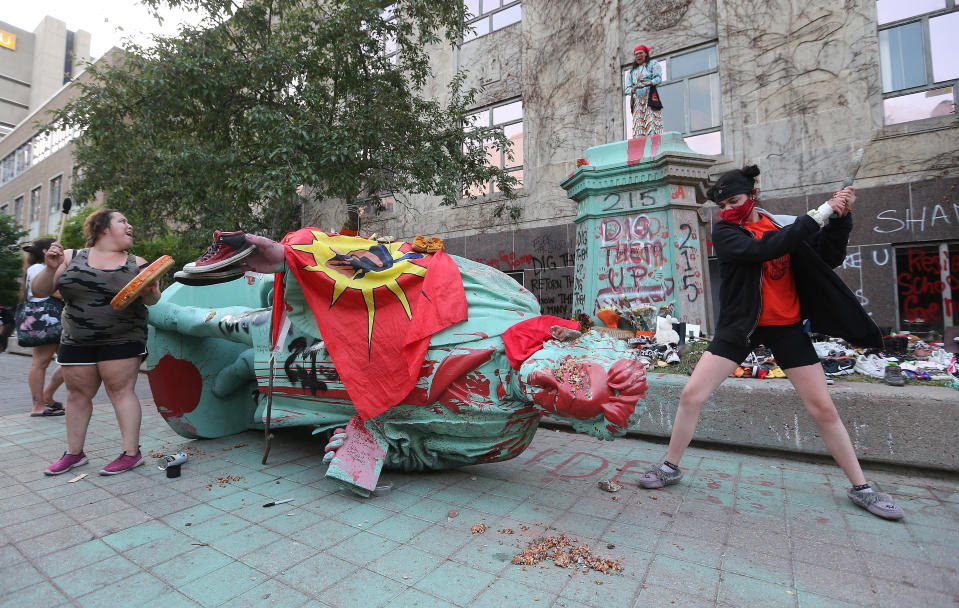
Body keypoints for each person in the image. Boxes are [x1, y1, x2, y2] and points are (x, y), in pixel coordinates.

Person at [637, 165, 905, 521]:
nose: (730, 208)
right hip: (740, 329)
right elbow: (765, 250)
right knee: (692, 395)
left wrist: (840, 218)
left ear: (753, 195)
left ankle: (862, 488)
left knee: (822, 408)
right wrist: (820, 212)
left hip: (786, 328)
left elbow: (828, 257)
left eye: (736, 200)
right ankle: (670, 467)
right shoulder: (727, 231)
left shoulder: (782, 224)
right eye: (724, 204)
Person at [31, 209, 161, 476]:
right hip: (77, 339)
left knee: (120, 391)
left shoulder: (138, 262)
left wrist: (152, 290)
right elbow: (40, 291)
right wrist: (49, 268)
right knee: (76, 394)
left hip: (123, 338)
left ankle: (131, 454)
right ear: (103, 227)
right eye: (123, 221)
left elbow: (151, 301)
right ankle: (74, 454)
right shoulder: (70, 256)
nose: (130, 225)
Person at [20, 238, 65, 417]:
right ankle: (38, 404)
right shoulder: (40, 268)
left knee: (67, 360)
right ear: (47, 251)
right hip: (45, 318)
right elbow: (55, 292)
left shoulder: (36, 268)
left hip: (48, 318)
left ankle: (46, 397)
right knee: (41, 362)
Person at [625, 44, 663, 138]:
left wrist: (649, 83)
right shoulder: (631, 72)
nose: (638, 56)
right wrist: (632, 89)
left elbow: (658, 78)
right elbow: (627, 89)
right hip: (638, 101)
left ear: (646, 54)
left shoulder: (653, 64)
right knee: (639, 124)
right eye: (636, 54)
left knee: (652, 122)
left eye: (640, 53)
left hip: (650, 98)